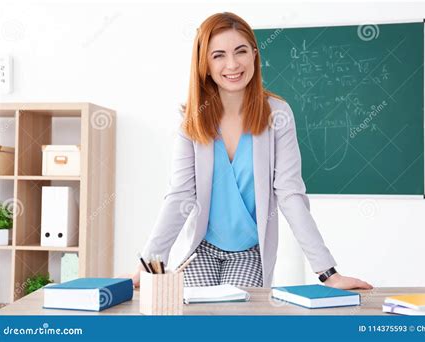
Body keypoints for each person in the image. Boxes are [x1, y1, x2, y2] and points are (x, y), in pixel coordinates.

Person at [131, 12, 372, 290]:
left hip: (248, 253)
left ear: (255, 55)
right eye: (218, 55)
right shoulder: (193, 121)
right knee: (192, 321)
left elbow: (290, 194)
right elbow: (179, 195)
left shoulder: (277, 115)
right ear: (204, 65)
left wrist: (327, 273)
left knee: (233, 321)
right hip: (200, 251)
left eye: (241, 51)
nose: (232, 64)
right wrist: (148, 264)